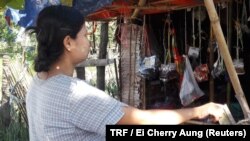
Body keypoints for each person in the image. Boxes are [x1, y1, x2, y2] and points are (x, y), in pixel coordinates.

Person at [25, 5, 225, 141]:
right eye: (85, 35)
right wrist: (199, 111)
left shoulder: (37, 84)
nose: (88, 41)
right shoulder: (73, 94)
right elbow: (143, 121)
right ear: (68, 42)